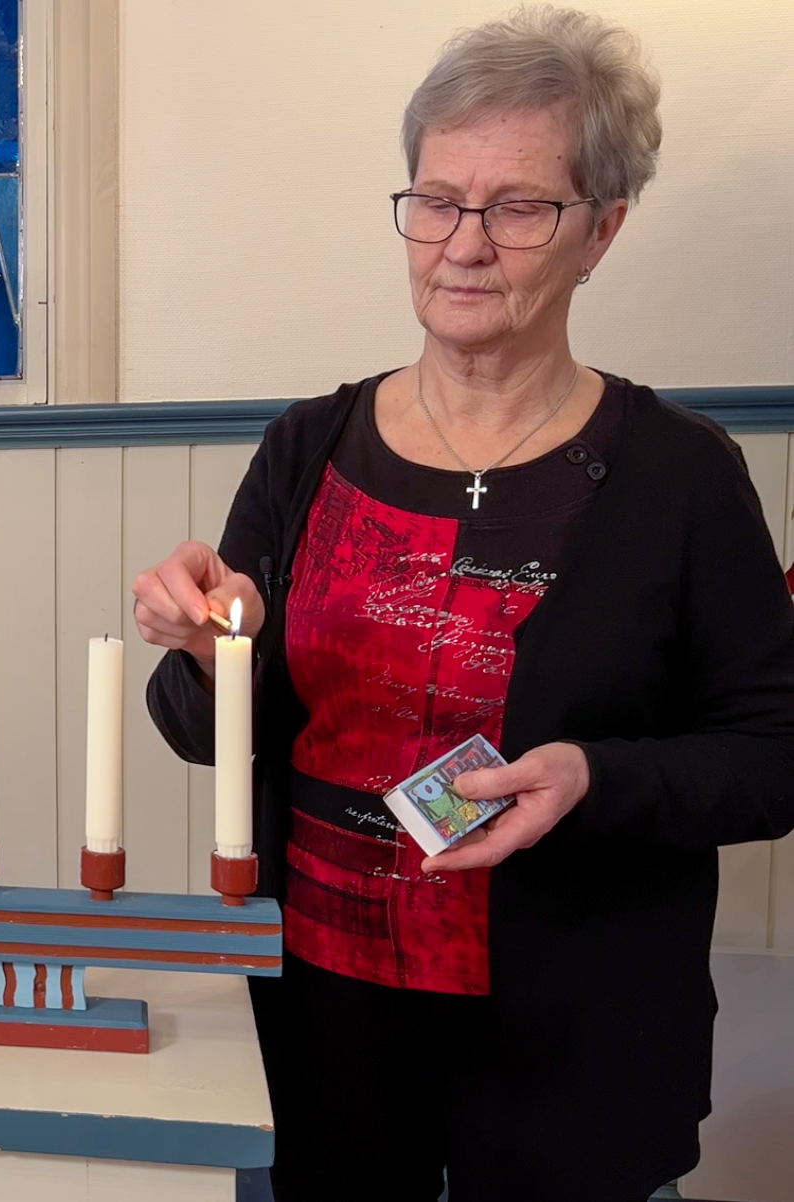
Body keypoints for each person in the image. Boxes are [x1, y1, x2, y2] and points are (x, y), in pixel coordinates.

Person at [132, 9, 794, 1200]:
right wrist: (216, 647)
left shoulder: (682, 475)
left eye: (519, 206)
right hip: (321, 1038)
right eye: (436, 199)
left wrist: (596, 778)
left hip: (573, 1056)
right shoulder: (307, 448)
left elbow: (776, 752)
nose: (464, 243)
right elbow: (204, 733)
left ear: (602, 231)